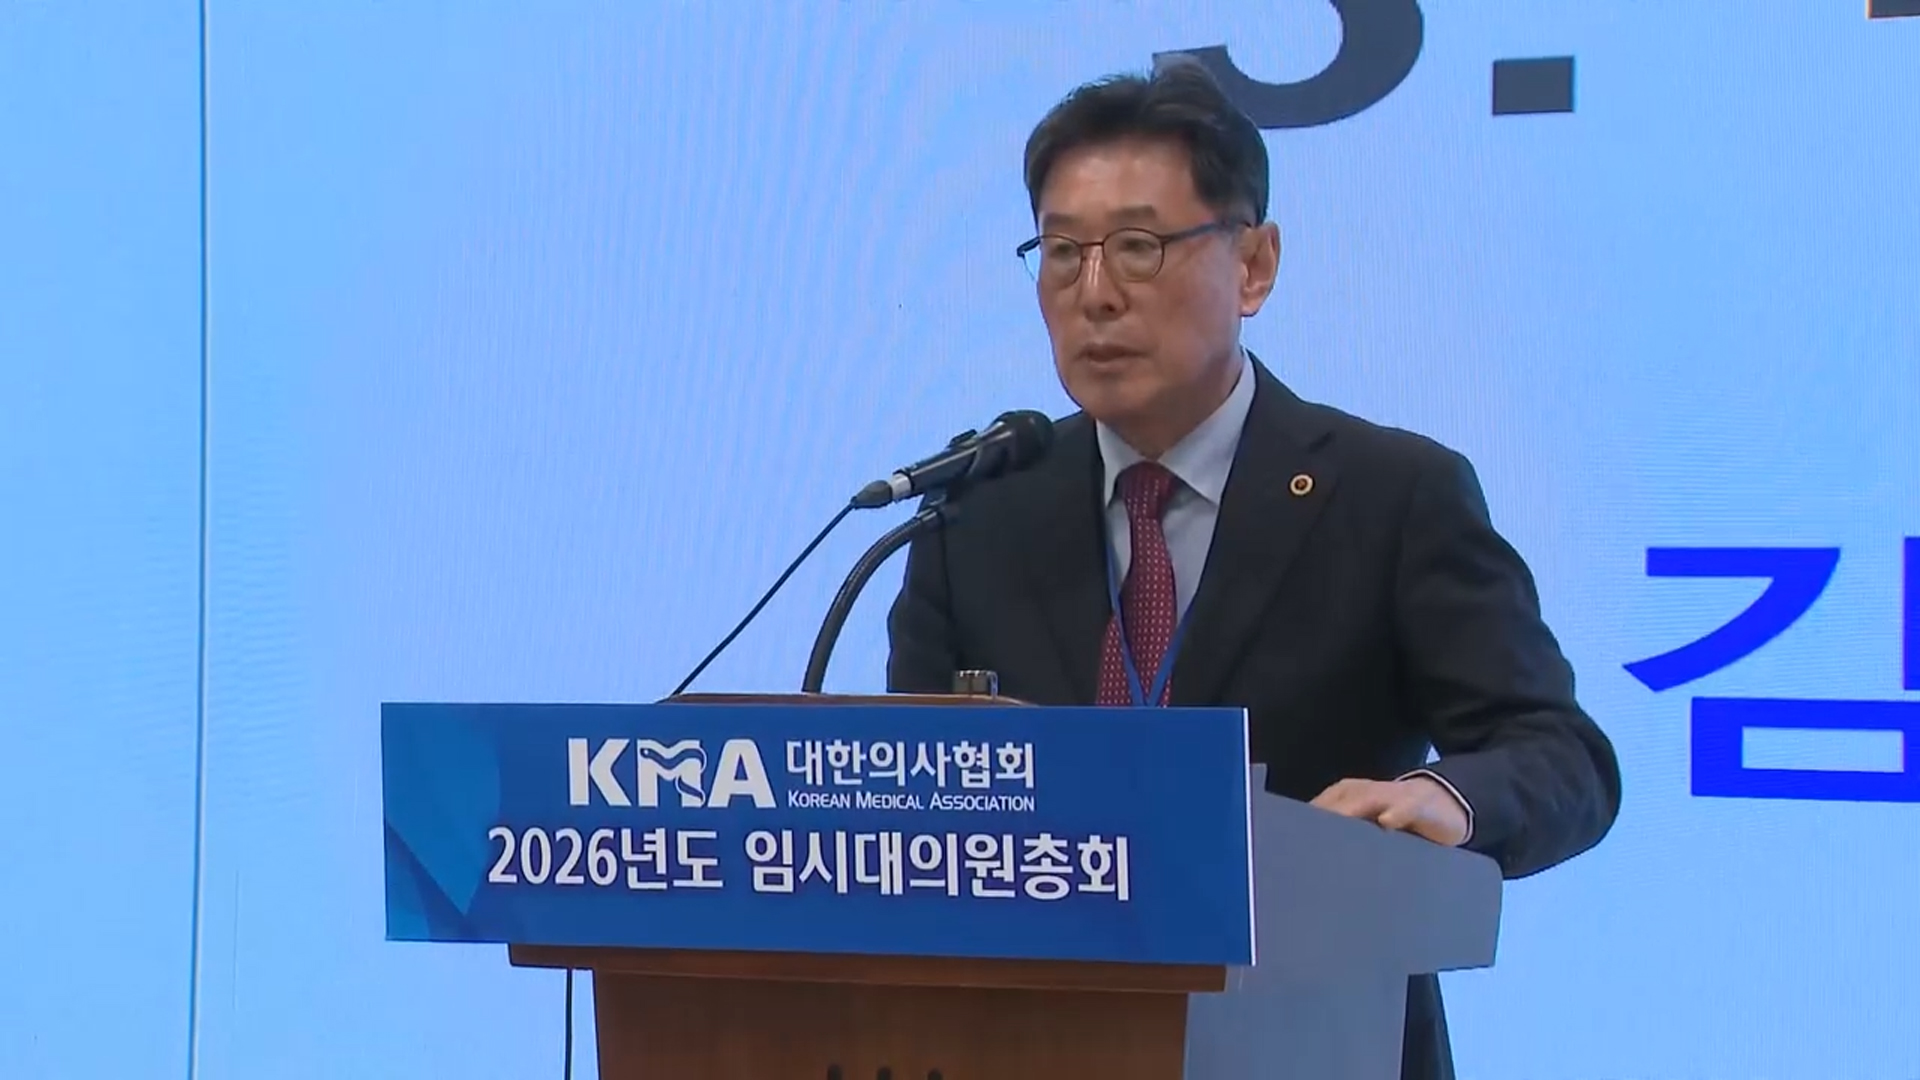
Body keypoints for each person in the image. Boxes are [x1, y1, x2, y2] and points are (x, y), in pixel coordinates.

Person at [884, 59, 1622, 1080]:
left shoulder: (1391, 495)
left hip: (1315, 1039)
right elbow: (908, 793)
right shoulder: (978, 510)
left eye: (1138, 247)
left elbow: (1562, 754)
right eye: (1061, 253)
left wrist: (1445, 797)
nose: (1095, 294)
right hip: (1026, 1042)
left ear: (1255, 265)